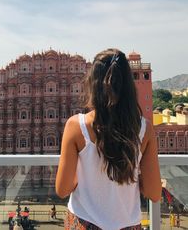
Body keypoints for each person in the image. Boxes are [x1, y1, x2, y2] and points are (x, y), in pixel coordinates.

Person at [56, 48, 162, 230]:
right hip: (127, 224)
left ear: (92, 84)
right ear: (129, 85)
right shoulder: (144, 129)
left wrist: (87, 177)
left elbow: (63, 189)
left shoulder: (76, 126)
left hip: (83, 223)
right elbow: (153, 193)